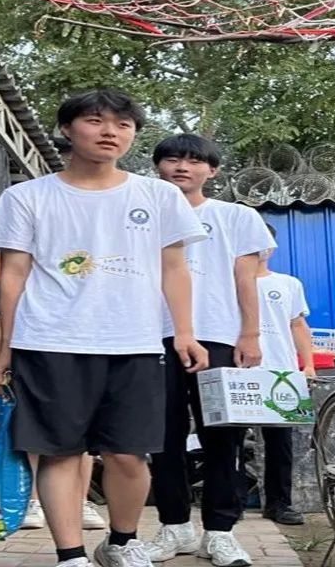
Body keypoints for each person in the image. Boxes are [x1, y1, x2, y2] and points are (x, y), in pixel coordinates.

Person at [0, 90, 209, 567]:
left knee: (129, 455)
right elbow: (14, 274)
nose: (110, 132)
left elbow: (175, 268)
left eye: (123, 125)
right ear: (67, 129)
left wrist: (185, 332)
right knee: (61, 453)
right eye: (95, 121)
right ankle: (71, 556)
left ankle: (121, 542)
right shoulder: (27, 196)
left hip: (136, 343)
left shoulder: (159, 195)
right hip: (49, 341)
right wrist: (5, 347)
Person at [144, 134, 276, 567]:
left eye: (194, 160)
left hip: (219, 335)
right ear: (158, 166)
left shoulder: (236, 216)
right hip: (151, 337)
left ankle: (220, 532)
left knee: (223, 436)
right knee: (161, 436)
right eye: (172, 159)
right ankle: (175, 527)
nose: (182, 167)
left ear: (212, 170)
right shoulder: (141, 216)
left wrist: (250, 334)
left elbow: (246, 279)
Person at [0, 282, 106, 530]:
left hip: (75, 364)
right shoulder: (11, 281)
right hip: (28, 365)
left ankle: (80, 502)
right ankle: (33, 502)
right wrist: (10, 362)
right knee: (33, 434)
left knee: (80, 437)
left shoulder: (80, 280)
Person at [254, 223, 315, 526]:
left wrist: (308, 364)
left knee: (281, 442)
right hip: (237, 370)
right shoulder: (225, 281)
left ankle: (279, 504)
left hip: (281, 372)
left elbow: (298, 325)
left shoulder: (289, 284)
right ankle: (228, 505)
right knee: (229, 441)